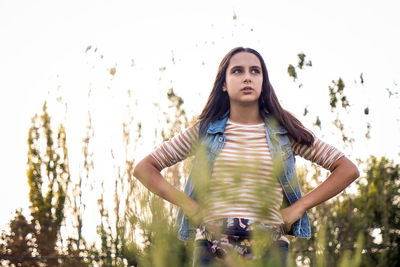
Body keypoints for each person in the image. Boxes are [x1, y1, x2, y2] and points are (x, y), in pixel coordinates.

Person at [133, 47, 359, 266]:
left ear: (263, 82)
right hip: (213, 247)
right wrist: (190, 206)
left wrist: (298, 207)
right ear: (223, 83)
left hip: (269, 246)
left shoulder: (284, 132)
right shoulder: (204, 132)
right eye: (237, 71)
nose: (247, 77)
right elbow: (145, 168)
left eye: (255, 71)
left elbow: (347, 169)